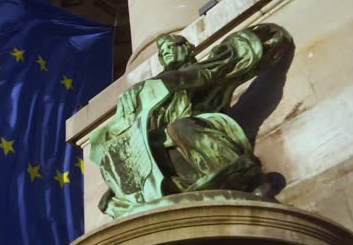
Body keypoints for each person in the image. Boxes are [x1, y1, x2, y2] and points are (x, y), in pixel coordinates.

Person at [92, 24, 292, 218]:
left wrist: (176, 81)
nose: (166, 53)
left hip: (202, 129)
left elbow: (268, 40)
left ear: (186, 48)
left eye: (171, 47)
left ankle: (249, 180)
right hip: (164, 143)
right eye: (163, 52)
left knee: (181, 127)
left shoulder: (205, 66)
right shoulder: (151, 88)